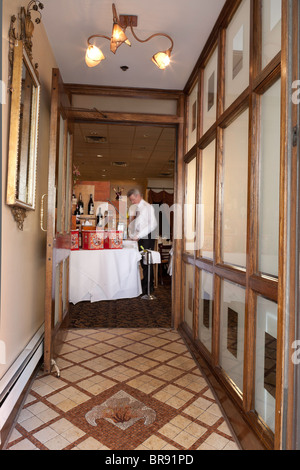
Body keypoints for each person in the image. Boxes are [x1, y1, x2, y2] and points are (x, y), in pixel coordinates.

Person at [127, 189, 158, 295]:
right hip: (142, 238)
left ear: (138, 196)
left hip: (147, 238)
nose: (132, 202)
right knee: (143, 263)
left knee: (147, 262)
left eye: (133, 199)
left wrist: (139, 235)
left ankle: (149, 287)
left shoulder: (147, 207)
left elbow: (152, 224)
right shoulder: (139, 208)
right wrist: (134, 235)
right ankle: (145, 285)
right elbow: (140, 225)